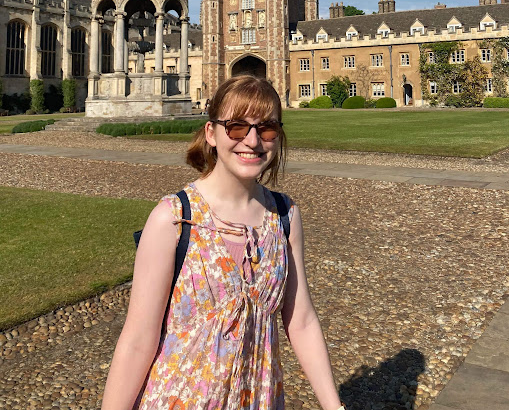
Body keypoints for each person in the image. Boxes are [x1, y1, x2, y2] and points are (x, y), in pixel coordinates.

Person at [101, 75, 345, 410]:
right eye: (236, 127)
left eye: (267, 127)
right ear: (211, 133)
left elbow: (301, 321)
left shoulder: (285, 216)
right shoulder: (172, 218)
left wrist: (335, 406)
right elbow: (138, 340)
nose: (253, 140)